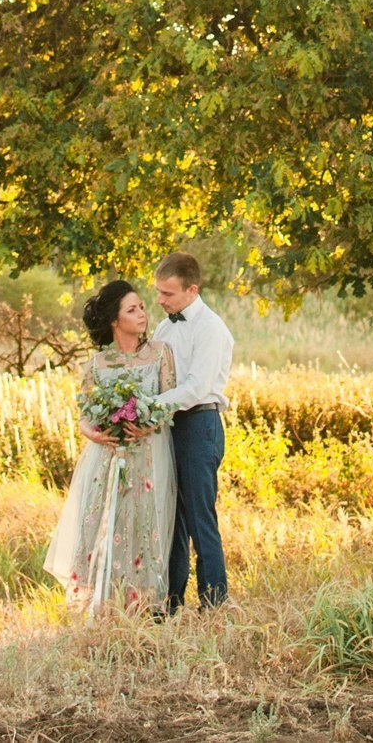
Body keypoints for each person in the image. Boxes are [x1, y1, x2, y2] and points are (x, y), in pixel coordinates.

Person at [44, 279, 177, 614]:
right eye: (132, 310)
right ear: (115, 320)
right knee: (103, 522)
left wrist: (147, 422)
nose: (142, 314)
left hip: (148, 453)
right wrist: (95, 434)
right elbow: (84, 417)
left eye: (142, 307)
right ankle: (104, 603)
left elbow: (170, 402)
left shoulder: (160, 353)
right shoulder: (97, 365)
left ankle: (144, 606)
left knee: (144, 523)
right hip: (106, 457)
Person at [149, 251, 232, 611]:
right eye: (158, 292)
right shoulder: (164, 328)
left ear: (192, 290)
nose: (160, 300)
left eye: (168, 294)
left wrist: (152, 405)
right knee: (172, 518)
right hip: (170, 424)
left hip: (201, 422)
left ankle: (214, 601)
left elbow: (197, 387)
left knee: (200, 516)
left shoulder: (211, 329)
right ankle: (170, 602)